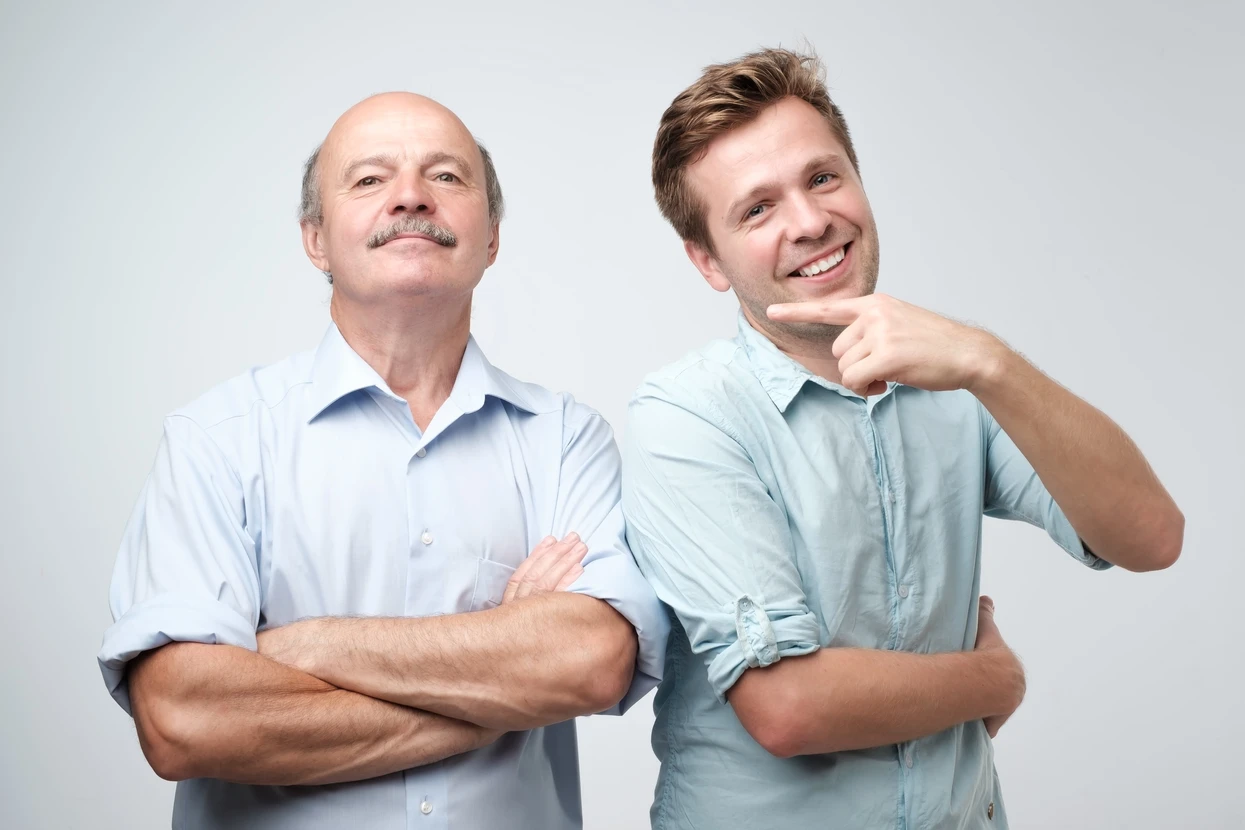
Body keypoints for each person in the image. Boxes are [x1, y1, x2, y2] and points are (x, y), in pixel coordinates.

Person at [622, 48, 1183, 829]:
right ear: (707, 261)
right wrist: (994, 681)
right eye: (757, 209)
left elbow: (1150, 537)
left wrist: (989, 363)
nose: (810, 221)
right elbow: (787, 707)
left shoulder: (957, 380)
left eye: (822, 178)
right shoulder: (686, 417)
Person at [97, 91, 667, 830]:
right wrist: (500, 679)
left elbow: (589, 662)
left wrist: (305, 647)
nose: (409, 196)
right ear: (315, 240)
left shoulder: (565, 439)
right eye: (369, 180)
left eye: (447, 177)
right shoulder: (216, 440)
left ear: (491, 236)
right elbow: (183, 719)